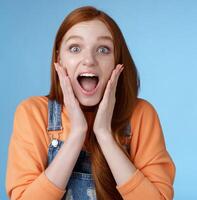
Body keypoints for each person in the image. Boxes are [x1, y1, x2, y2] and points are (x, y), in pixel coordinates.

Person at [6, 6, 175, 200]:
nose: (89, 60)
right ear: (59, 58)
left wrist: (104, 134)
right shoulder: (33, 113)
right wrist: (77, 133)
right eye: (75, 48)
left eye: (103, 49)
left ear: (117, 61)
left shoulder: (141, 114)